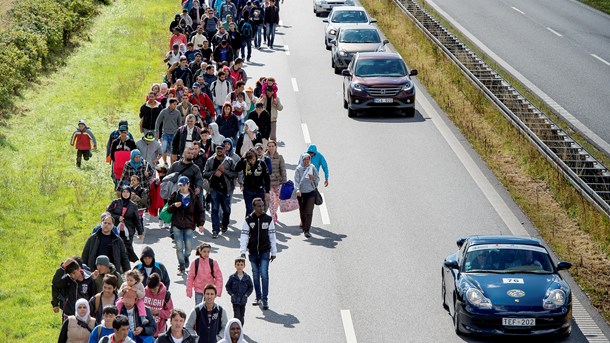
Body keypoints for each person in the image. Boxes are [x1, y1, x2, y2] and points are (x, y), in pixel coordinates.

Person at [239, 198, 277, 310]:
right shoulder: (248, 220)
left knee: (264, 274)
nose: (262, 208)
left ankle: (265, 299)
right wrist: (243, 252)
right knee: (256, 275)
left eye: (262, 206)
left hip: (265, 251)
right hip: (253, 252)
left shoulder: (268, 219)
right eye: (259, 206)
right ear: (254, 207)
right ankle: (258, 297)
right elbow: (244, 236)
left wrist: (273, 252)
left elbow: (272, 237)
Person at [168, 176, 205, 275]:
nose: (182, 187)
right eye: (180, 185)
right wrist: (173, 206)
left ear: (188, 184)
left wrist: (200, 224)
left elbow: (200, 211)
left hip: (189, 225)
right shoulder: (175, 195)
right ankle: (182, 266)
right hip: (177, 224)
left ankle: (185, 257)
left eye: (184, 185)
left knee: (188, 248)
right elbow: (168, 209)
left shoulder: (194, 197)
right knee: (179, 247)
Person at [203, 145, 238, 238]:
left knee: (227, 210)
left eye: (221, 149)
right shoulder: (210, 160)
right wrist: (214, 172)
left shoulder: (229, 161)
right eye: (217, 149)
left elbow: (235, 174)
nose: (219, 151)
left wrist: (224, 171)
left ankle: (225, 225)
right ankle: (215, 230)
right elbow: (205, 173)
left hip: (226, 189)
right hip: (214, 189)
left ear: (224, 150)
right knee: (214, 210)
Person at [106, 186, 143, 262]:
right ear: (121, 193)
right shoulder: (115, 202)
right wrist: (117, 217)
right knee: (115, 248)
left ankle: (126, 266)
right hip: (115, 230)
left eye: (127, 192)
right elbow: (108, 213)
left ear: (130, 193)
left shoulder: (133, 206)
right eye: (124, 192)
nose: (125, 194)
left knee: (127, 250)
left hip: (128, 232)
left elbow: (137, 220)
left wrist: (140, 232)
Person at [294, 153, 319, 238]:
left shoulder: (312, 167)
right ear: (302, 160)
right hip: (301, 193)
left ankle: (307, 230)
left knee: (309, 211)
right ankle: (304, 224)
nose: (306, 161)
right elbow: (296, 181)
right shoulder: (298, 169)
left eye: (308, 159)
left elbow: (317, 178)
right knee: (302, 211)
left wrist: (314, 178)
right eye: (304, 159)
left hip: (311, 192)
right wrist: (297, 190)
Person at [143, 273, 173, 338]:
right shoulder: (144, 292)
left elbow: (170, 313)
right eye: (150, 290)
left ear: (159, 285)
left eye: (155, 289)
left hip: (160, 331)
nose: (153, 291)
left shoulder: (166, 295)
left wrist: (158, 312)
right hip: (146, 330)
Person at [224, 257, 253, 326]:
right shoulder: (232, 277)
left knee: (242, 315)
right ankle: (236, 328)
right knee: (237, 315)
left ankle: (240, 328)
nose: (239, 266)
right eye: (238, 264)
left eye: (241, 265)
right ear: (235, 265)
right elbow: (228, 286)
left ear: (244, 266)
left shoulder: (247, 277)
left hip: (243, 300)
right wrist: (232, 294)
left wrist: (246, 295)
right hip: (235, 300)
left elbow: (250, 287)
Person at [155, 98, 182, 167]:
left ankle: (172, 165)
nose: (175, 106)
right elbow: (158, 122)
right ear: (170, 104)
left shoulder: (177, 113)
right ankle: (165, 162)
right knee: (164, 148)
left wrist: (179, 134)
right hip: (165, 134)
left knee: (173, 150)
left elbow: (179, 124)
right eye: (174, 104)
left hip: (174, 134)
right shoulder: (164, 111)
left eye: (176, 104)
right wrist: (157, 131)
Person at [265, 140, 286, 223]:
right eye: (269, 146)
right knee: (271, 200)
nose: (271, 148)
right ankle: (273, 218)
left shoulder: (280, 157)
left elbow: (283, 170)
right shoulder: (264, 157)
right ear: (267, 147)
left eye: (272, 146)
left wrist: (284, 182)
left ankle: (274, 213)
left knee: (277, 201)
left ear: (276, 147)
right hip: (268, 183)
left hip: (277, 183)